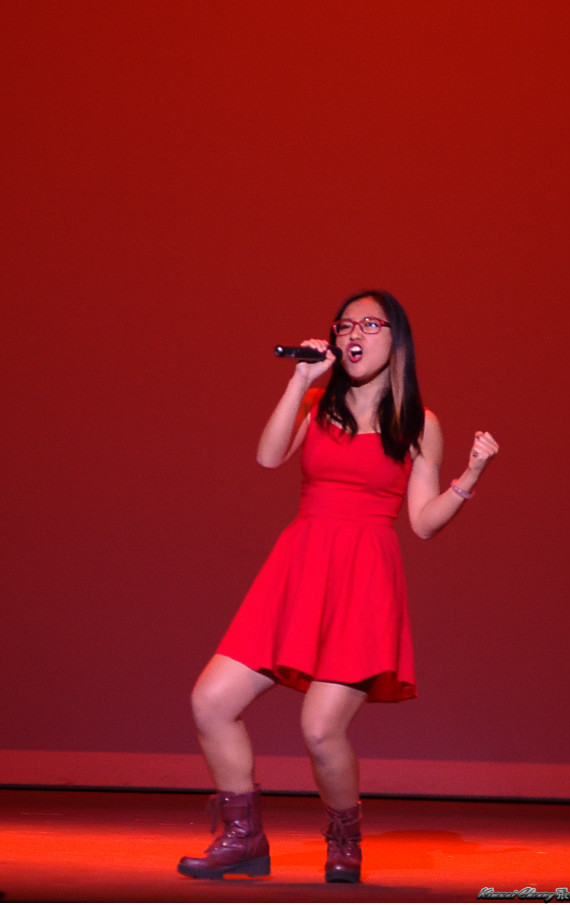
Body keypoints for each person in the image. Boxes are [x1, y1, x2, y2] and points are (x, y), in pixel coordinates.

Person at [177, 290, 499, 884]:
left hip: (363, 578)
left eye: (369, 324)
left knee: (321, 731)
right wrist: (301, 382)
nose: (354, 334)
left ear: (395, 339)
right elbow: (269, 456)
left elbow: (423, 523)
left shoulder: (418, 423)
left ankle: (344, 835)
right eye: (345, 324)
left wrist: (469, 478)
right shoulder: (321, 403)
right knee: (211, 701)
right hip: (299, 567)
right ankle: (244, 837)